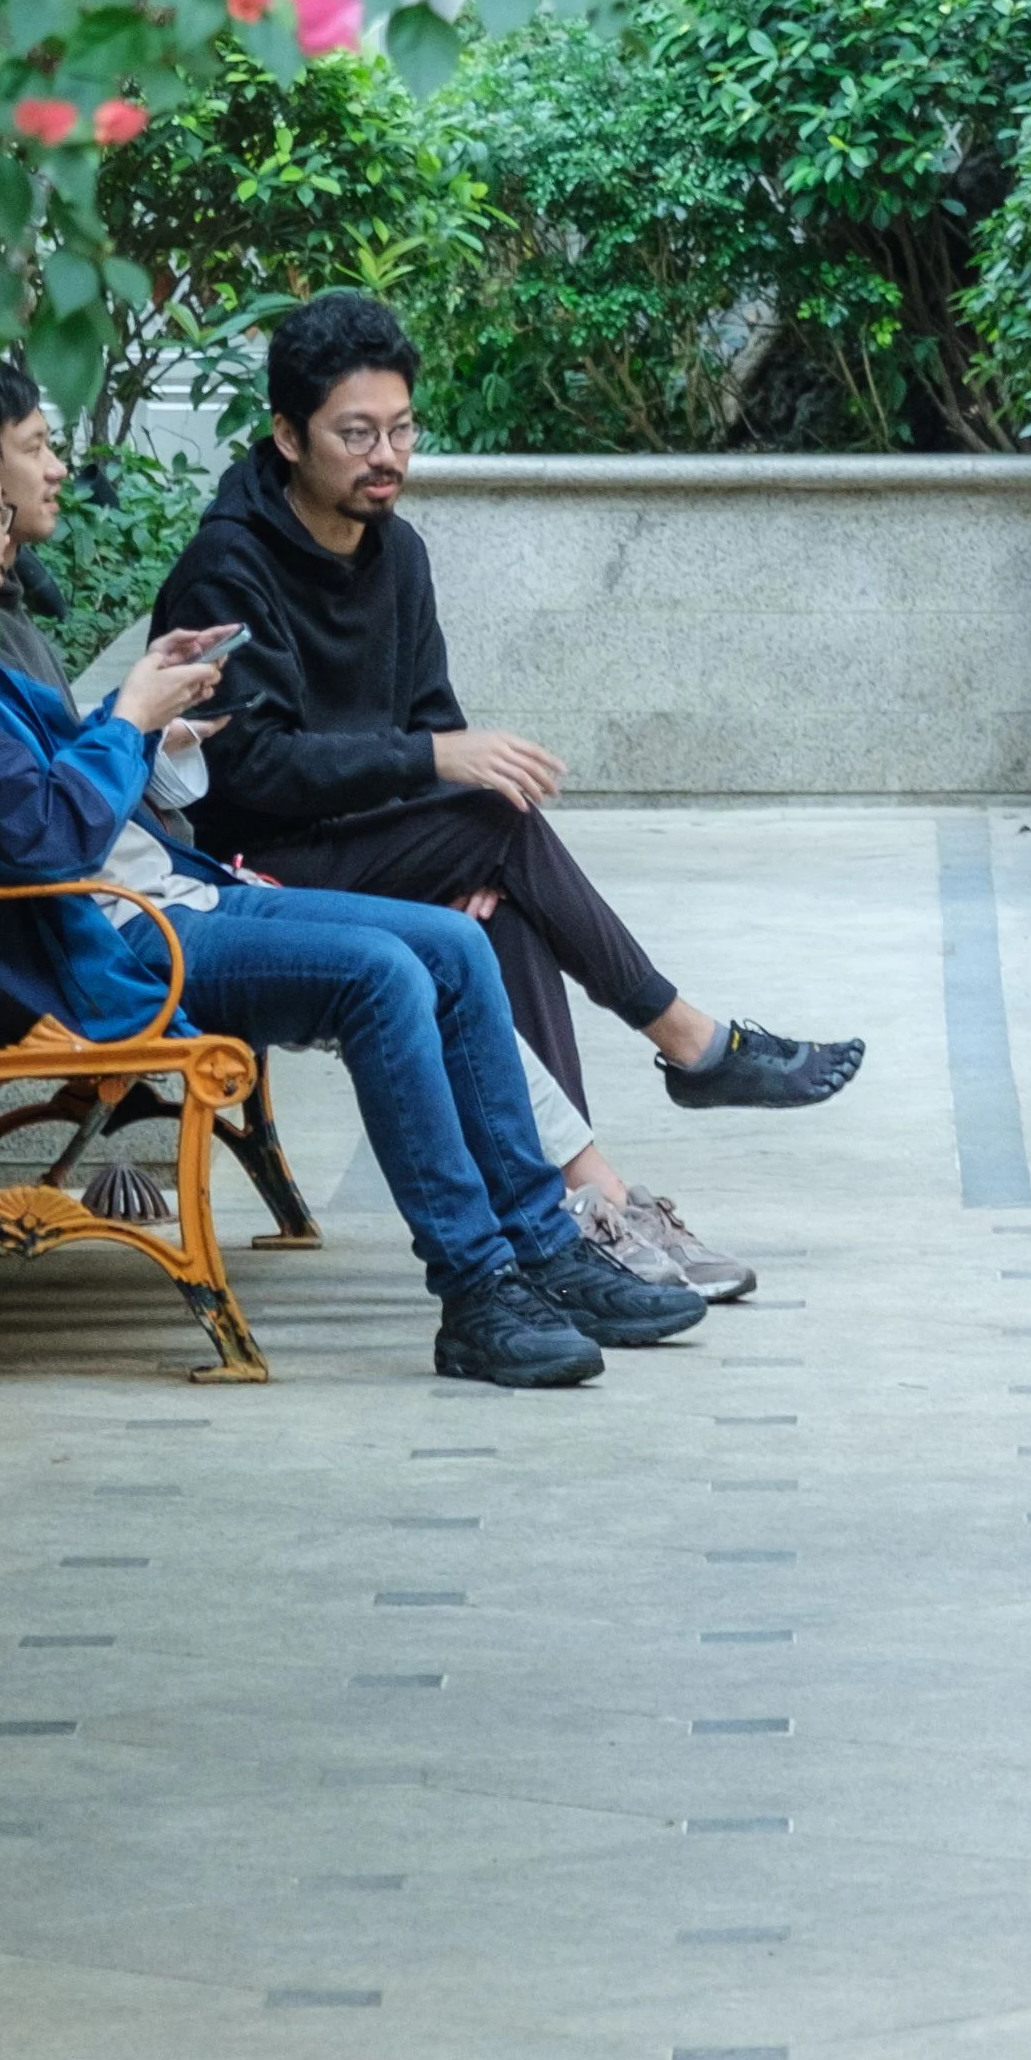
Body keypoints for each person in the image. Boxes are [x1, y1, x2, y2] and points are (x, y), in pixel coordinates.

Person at [0, 406, 707, 1390]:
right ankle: (477, 1285)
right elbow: (41, 836)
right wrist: (125, 716)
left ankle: (542, 1247)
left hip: (156, 899)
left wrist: (155, 717)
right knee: (377, 973)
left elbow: (47, 796)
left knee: (450, 947)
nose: (8, 531)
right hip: (103, 943)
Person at [150, 296, 861, 1309]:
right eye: (355, 433)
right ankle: (684, 1039)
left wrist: (439, 830)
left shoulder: (398, 551)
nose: (384, 453)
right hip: (258, 876)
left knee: (504, 889)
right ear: (285, 435)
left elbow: (428, 733)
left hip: (365, 852)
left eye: (400, 427)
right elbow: (249, 774)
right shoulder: (226, 567)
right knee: (495, 820)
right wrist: (437, 777)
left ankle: (586, 1208)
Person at [0, 346, 683, 1268]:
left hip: (174, 892)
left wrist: (152, 736)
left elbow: (62, 797)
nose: (46, 478)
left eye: (400, 429)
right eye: (27, 457)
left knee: (474, 908)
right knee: (401, 955)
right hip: (140, 923)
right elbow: (59, 830)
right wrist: (130, 720)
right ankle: (496, 1266)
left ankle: (567, 1222)